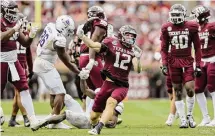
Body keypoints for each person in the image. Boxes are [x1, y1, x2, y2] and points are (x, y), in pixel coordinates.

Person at [76, 24, 143, 135]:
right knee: (93, 116)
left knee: (111, 102)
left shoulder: (133, 50)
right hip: (107, 83)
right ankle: (95, 124)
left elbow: (137, 69)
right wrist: (83, 37)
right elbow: (93, 45)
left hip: (122, 85)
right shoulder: (111, 42)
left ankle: (98, 128)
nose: (130, 38)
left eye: (132, 36)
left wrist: (138, 58)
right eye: (128, 35)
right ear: (121, 35)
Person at [32, 15, 89, 130]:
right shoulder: (59, 39)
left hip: (40, 61)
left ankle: (53, 117)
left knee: (54, 92)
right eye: (68, 30)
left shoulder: (50, 26)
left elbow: (39, 43)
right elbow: (65, 59)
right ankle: (54, 120)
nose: (69, 33)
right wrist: (78, 72)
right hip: (45, 64)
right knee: (61, 93)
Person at [160, 4, 202, 128]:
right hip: (173, 62)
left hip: (187, 60)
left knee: (190, 89)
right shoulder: (166, 27)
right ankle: (183, 119)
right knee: (177, 91)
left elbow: (197, 47)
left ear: (184, 15)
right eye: (174, 15)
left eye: (178, 15)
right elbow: (163, 49)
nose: (176, 18)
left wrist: (198, 65)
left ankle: (189, 115)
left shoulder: (191, 26)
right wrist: (164, 64)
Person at [0, 0, 40, 130]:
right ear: (4, 11)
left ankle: (32, 119)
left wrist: (32, 35)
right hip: (1, 60)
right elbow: (1, 37)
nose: (14, 14)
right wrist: (14, 29)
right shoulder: (1, 22)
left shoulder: (13, 23)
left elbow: (25, 43)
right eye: (11, 11)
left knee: (24, 88)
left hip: (13, 59)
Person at [29, 79, 124, 130]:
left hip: (88, 121)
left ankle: (42, 123)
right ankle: (53, 117)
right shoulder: (100, 92)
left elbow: (112, 123)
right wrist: (82, 78)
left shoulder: (116, 102)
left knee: (66, 114)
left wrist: (103, 121)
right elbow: (85, 90)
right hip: (85, 114)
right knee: (63, 95)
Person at [191, 5, 215, 126]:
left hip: (213, 60)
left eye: (196, 15)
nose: (194, 18)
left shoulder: (212, 26)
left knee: (212, 88)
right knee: (198, 89)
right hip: (202, 62)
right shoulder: (197, 29)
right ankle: (205, 117)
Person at [8, 16, 31, 127]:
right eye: (23, 23)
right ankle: (26, 117)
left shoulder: (25, 35)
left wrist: (30, 68)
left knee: (18, 94)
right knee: (20, 93)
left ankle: (12, 119)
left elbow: (28, 54)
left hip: (23, 66)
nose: (25, 25)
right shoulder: (12, 34)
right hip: (14, 65)